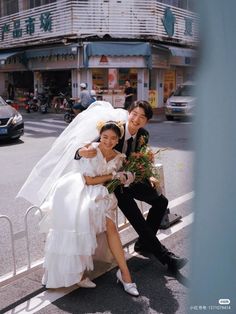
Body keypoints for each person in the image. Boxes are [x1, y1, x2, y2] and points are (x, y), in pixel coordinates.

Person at [17, 102, 138, 296]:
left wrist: (125, 177)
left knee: (111, 229)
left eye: (113, 138)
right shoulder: (91, 149)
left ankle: (125, 274)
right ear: (100, 135)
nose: (108, 141)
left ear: (118, 140)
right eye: (105, 136)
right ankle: (77, 274)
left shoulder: (119, 157)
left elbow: (122, 175)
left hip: (103, 196)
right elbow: (88, 180)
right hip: (81, 192)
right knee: (81, 230)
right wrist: (111, 177)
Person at [76, 100, 188, 273]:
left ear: (146, 121)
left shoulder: (143, 134)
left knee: (161, 202)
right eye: (134, 114)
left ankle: (144, 243)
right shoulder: (115, 130)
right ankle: (166, 258)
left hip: (130, 179)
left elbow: (138, 159)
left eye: (142, 117)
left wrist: (149, 174)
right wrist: (79, 152)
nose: (137, 119)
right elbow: (89, 146)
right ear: (129, 113)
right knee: (136, 216)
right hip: (112, 184)